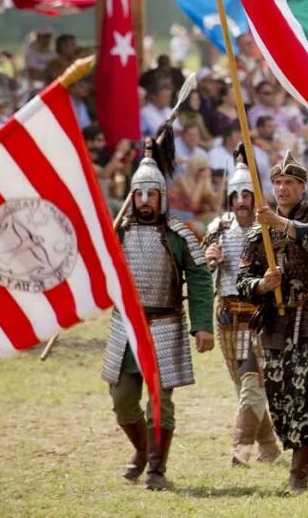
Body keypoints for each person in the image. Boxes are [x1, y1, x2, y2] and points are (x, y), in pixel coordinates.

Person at [103, 143, 214, 490]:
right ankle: (142, 449)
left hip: (164, 327)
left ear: (162, 197)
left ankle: (155, 470)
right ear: (132, 197)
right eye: (140, 194)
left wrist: (202, 327)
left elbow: (199, 280)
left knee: (159, 406)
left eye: (153, 193)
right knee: (122, 402)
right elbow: (99, 271)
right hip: (126, 328)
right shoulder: (117, 232)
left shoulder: (178, 236)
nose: (146, 200)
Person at [237, 151, 308, 492]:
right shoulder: (258, 233)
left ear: (302, 187)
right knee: (282, 396)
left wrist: (281, 224)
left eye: (290, 183)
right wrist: (261, 285)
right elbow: (242, 280)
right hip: (277, 321)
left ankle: (298, 472)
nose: (282, 188)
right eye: (278, 182)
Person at [201, 154, 281, 467]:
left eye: (246, 194)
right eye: (235, 195)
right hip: (227, 317)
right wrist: (210, 259)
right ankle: (269, 446)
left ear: (256, 195)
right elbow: (202, 275)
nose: (241, 201)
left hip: (260, 316)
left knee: (252, 383)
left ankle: (241, 449)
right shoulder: (217, 228)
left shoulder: (269, 229)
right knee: (243, 386)